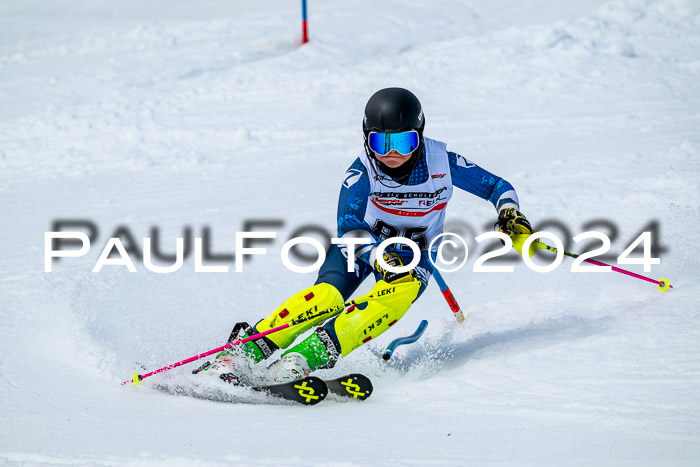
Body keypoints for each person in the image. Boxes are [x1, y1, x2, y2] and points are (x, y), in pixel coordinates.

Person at [198, 87, 534, 384]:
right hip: (360, 247)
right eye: (380, 142)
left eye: (404, 142)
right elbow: (348, 224)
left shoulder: (442, 162)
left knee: (390, 300)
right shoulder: (361, 172)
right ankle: (245, 351)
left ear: (419, 135)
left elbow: (497, 187)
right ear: (366, 137)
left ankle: (304, 358)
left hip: (411, 256)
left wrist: (509, 212)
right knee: (325, 298)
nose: (391, 153)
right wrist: (376, 255)